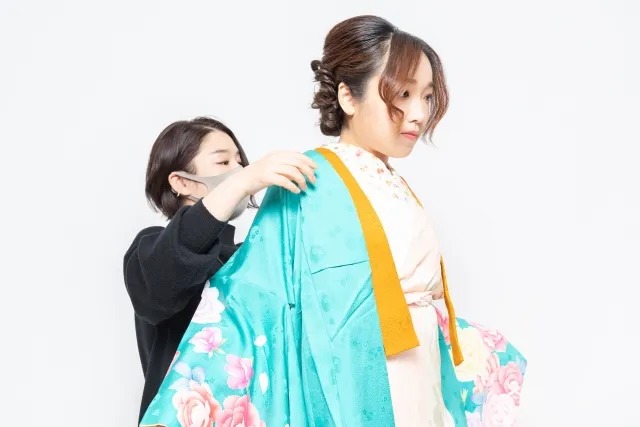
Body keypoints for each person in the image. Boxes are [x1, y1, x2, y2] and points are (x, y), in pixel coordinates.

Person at [139, 16, 527, 427]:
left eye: (427, 96)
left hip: (421, 366)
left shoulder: (392, 182)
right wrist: (242, 183)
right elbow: (268, 301)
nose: (418, 113)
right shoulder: (313, 177)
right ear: (347, 97)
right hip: (365, 379)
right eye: (403, 93)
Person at [124, 116, 317, 422]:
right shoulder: (150, 249)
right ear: (182, 182)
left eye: (240, 162)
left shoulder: (251, 258)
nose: (239, 169)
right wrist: (241, 182)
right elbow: (163, 283)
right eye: (223, 162)